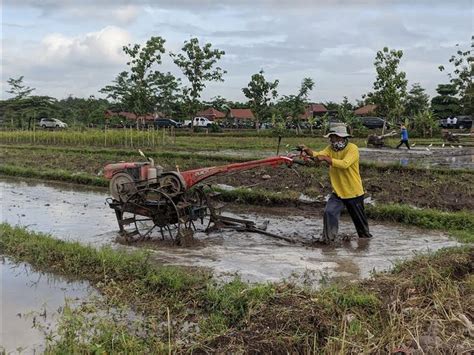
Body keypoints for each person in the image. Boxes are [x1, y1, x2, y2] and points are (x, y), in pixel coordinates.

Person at [298, 125, 373, 244]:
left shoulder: (352, 149)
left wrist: (325, 159)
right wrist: (308, 150)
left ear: (339, 137)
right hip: (338, 192)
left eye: (332, 137)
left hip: (353, 192)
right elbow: (319, 155)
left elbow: (344, 164)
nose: (330, 140)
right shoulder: (330, 149)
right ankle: (328, 240)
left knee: (361, 226)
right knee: (329, 212)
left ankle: (365, 242)